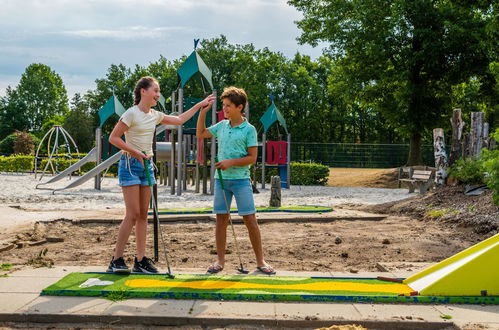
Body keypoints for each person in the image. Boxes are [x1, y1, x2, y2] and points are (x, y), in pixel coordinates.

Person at [107, 76, 214, 273]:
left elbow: (180, 120)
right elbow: (114, 138)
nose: (158, 94)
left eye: (158, 91)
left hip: (146, 164)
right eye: (155, 90)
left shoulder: (154, 115)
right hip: (130, 164)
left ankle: (140, 261)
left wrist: (200, 105)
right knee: (131, 214)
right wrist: (135, 152)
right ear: (143, 91)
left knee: (143, 216)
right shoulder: (131, 114)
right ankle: (116, 260)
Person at [196, 86, 275, 275]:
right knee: (221, 219)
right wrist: (202, 113)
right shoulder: (222, 125)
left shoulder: (249, 129)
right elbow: (201, 133)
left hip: (241, 181)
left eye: (228, 105)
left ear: (240, 107)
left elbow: (252, 158)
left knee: (250, 219)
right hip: (221, 180)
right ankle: (220, 261)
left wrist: (230, 162)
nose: (225, 109)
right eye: (224, 105)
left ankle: (260, 261)